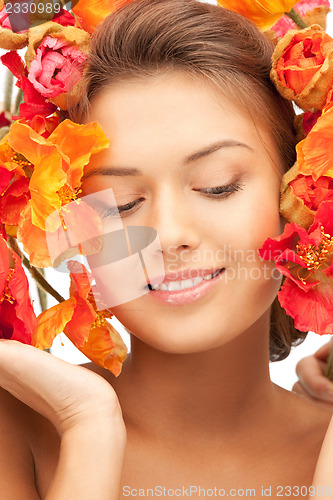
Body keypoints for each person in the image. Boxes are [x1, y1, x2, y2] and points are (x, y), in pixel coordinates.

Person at [0, 0, 332, 498]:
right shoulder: (16, 431)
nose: (169, 232)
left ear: (298, 191)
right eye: (122, 203)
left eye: (217, 186)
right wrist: (88, 426)